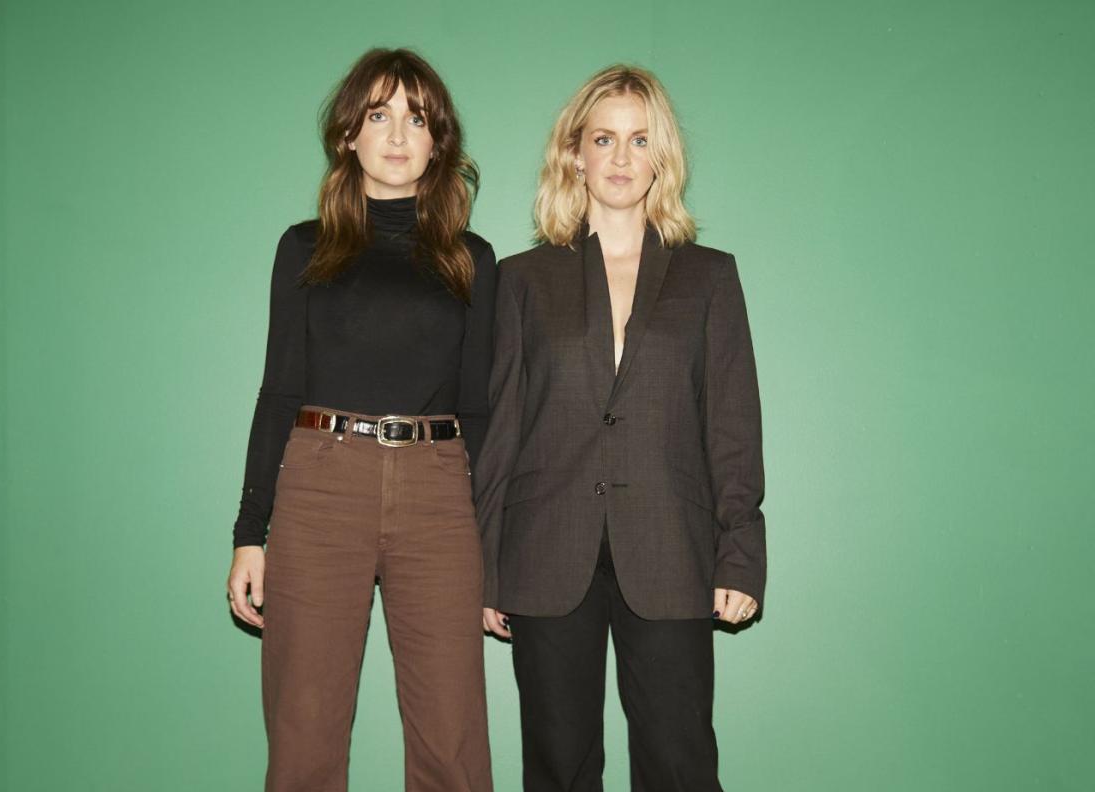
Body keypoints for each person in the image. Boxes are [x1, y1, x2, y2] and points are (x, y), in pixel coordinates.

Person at [474, 64, 767, 791]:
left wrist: (740, 554)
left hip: (671, 547)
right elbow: (502, 428)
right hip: (545, 551)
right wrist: (484, 566)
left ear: (661, 156)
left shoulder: (710, 277)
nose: (621, 158)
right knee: (558, 764)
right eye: (603, 138)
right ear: (575, 153)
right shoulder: (519, 280)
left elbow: (731, 424)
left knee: (679, 764)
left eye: (640, 140)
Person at [225, 47, 497, 792]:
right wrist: (252, 532)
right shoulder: (305, 248)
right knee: (304, 731)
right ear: (349, 134)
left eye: (416, 118)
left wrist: (497, 545)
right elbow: (278, 391)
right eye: (379, 115)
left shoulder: (472, 259)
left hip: (440, 494)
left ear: (438, 140)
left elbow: (480, 407)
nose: (398, 134)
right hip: (320, 485)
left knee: (453, 738)